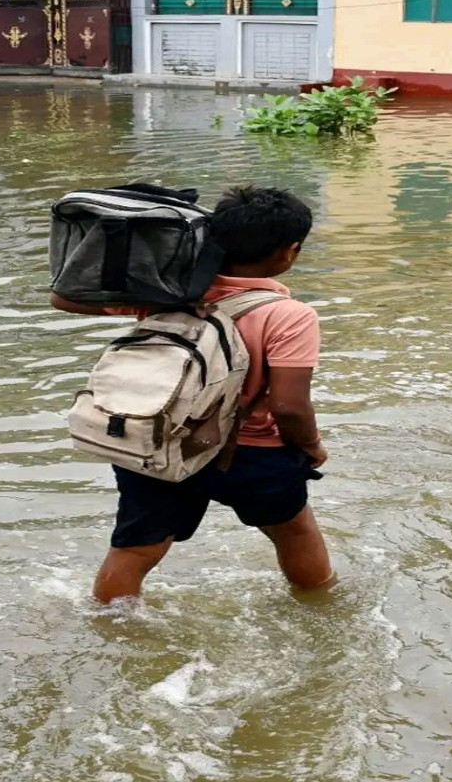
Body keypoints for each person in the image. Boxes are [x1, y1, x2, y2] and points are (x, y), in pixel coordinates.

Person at [51, 187, 334, 603]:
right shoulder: (289, 315)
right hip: (253, 451)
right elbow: (288, 406)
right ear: (289, 252)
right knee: (294, 531)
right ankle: (320, 606)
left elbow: (63, 298)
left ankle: (110, 623)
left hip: (161, 441)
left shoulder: (169, 293)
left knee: (137, 548)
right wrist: (311, 446)